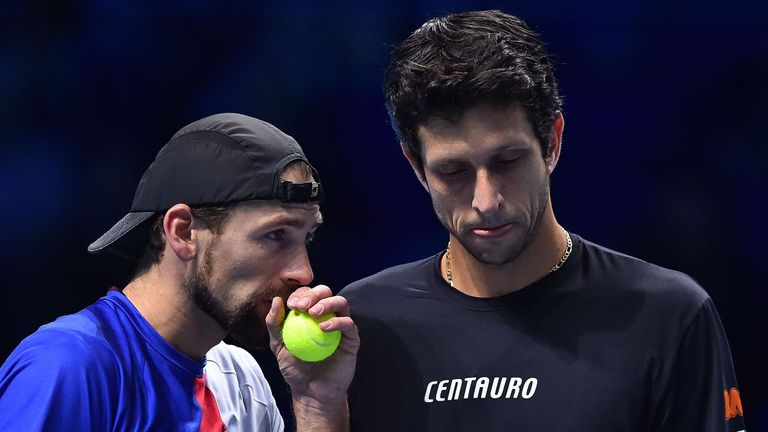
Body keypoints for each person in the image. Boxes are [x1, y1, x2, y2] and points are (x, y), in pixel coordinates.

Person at [340, 10, 745, 432]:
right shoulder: (366, 322)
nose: (486, 200)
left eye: (507, 161)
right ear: (416, 166)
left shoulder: (670, 314)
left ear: (552, 142)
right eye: (453, 171)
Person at [0, 113, 359, 431]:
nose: (304, 272)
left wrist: (316, 406)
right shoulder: (70, 366)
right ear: (183, 232)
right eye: (275, 235)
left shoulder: (242, 383)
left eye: (306, 238)